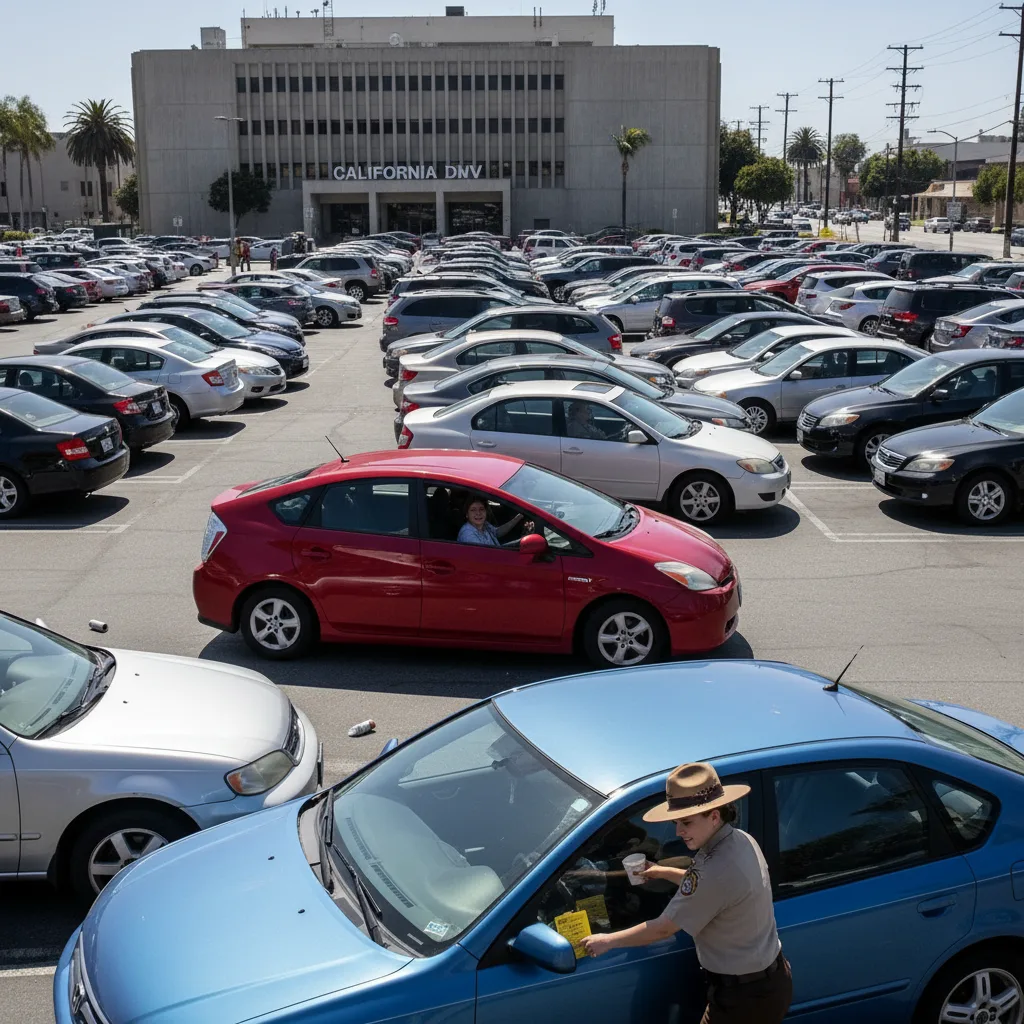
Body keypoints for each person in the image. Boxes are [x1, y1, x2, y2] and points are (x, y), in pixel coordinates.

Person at [580, 762, 791, 1024]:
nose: (679, 832)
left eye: (687, 822)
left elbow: (663, 929)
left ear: (714, 815)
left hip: (744, 998)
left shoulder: (714, 868)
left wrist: (607, 941)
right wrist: (664, 872)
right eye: (677, 822)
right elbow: (715, 892)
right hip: (767, 982)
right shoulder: (739, 840)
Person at [457, 495, 534, 547]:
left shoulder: (484, 525)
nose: (478, 513)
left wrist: (518, 517)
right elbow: (490, 554)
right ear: (467, 514)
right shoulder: (468, 534)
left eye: (481, 509)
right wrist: (522, 541)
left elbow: (497, 532)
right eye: (473, 510)